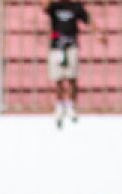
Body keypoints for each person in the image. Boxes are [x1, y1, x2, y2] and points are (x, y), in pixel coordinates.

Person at [43, 0, 103, 128]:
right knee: (58, 78)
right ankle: (59, 105)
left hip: (71, 45)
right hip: (57, 46)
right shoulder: (55, 6)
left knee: (72, 77)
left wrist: (98, 33)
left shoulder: (76, 7)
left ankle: (71, 105)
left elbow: (88, 20)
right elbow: (44, 6)